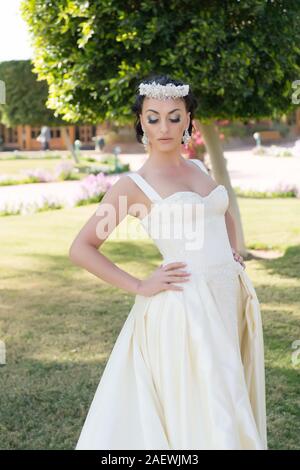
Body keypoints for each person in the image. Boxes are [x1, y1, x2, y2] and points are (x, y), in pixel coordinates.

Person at [69, 74, 268, 450]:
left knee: (227, 392)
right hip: (183, 308)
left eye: (174, 117)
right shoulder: (133, 185)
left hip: (227, 298)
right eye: (154, 117)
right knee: (205, 402)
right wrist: (140, 286)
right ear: (141, 122)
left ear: (189, 120)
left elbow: (218, 210)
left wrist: (230, 251)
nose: (165, 127)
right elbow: (82, 247)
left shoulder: (197, 170)